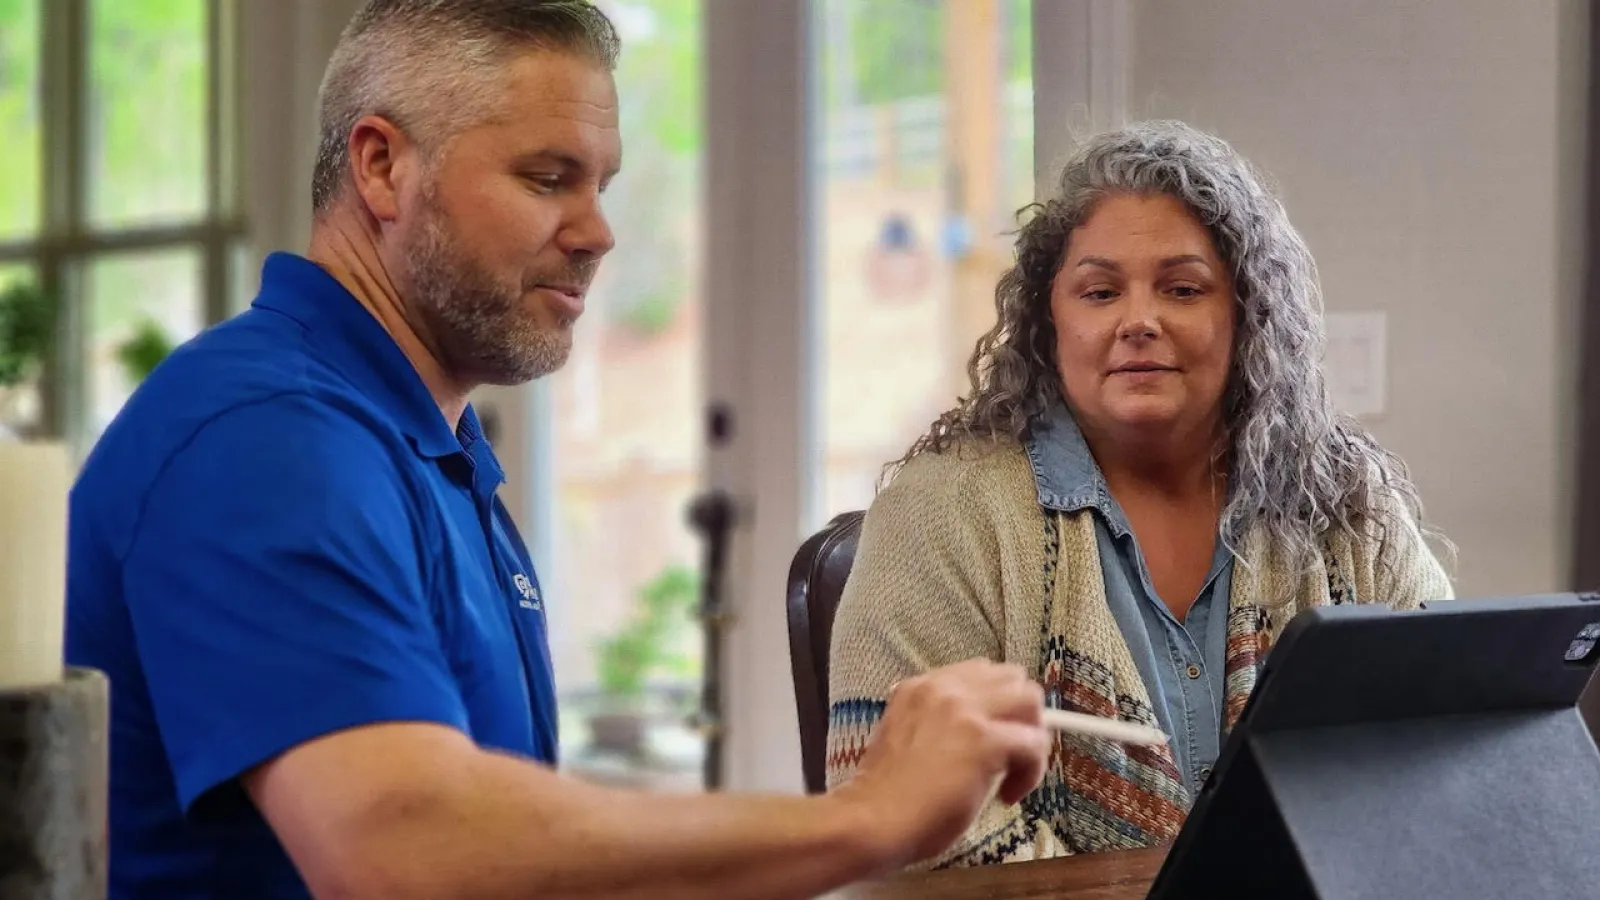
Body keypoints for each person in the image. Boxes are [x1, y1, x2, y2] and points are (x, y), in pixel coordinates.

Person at [63, 2, 1051, 898]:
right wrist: (866, 818)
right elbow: (403, 849)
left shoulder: (420, 447)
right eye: (547, 179)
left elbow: (502, 846)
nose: (598, 232)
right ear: (380, 166)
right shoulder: (263, 439)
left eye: (602, 184)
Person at [824, 120, 1454, 869]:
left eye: (1183, 289)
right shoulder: (943, 511)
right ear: (1049, 319)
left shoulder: (1348, 504)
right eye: (1099, 291)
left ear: (1246, 316)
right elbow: (902, 809)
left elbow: (1448, 742)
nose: (1139, 322)